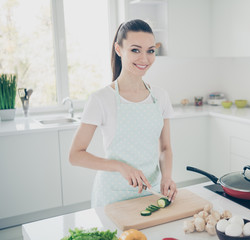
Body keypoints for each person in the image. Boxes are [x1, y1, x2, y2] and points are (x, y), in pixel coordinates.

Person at [69, 19, 177, 208]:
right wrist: (120, 166)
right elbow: (75, 155)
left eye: (150, 51)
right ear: (118, 49)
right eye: (135, 50)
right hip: (113, 196)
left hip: (151, 193)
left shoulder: (161, 96)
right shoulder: (101, 99)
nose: (144, 58)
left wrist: (166, 177)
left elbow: (165, 148)